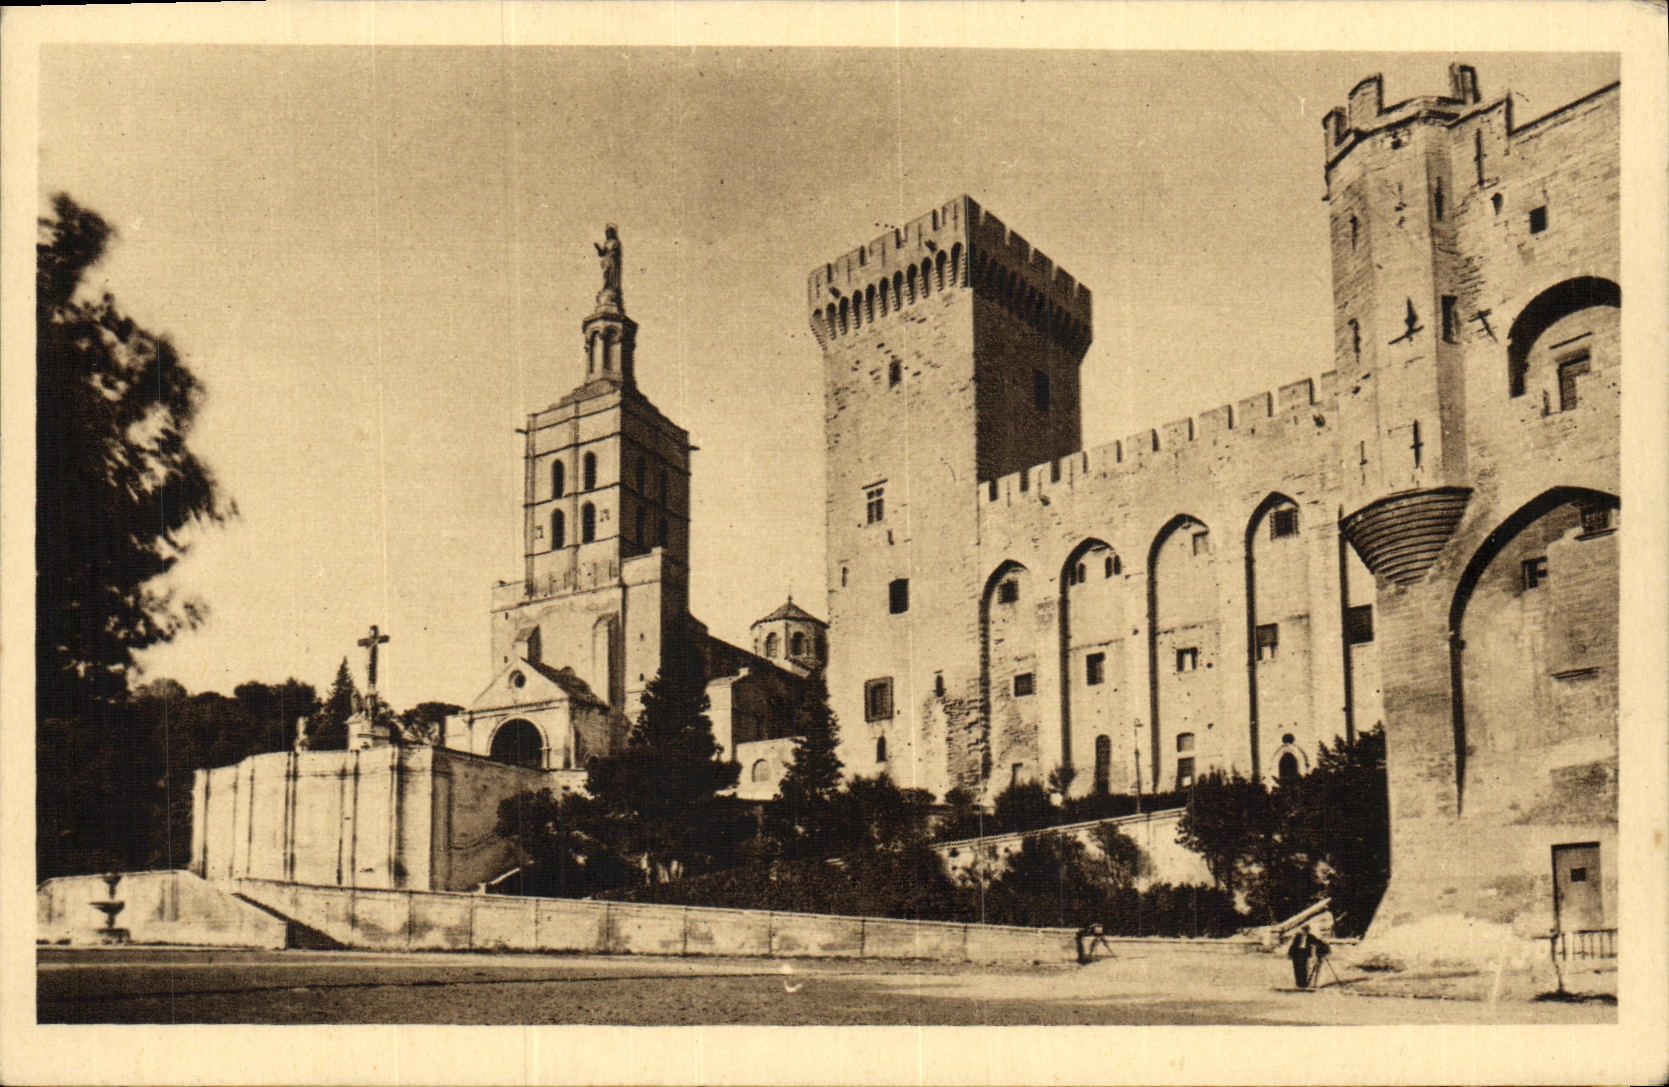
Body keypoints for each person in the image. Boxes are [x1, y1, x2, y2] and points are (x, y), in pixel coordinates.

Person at [1287, 923, 1316, 989]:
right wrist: (1289, 954)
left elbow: (1317, 942)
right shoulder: (1298, 936)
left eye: (1306, 929)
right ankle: (1298, 983)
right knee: (1297, 968)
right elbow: (1293, 945)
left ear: (1308, 930)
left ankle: (1304, 984)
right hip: (1296, 953)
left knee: (1304, 968)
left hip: (1304, 953)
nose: (1304, 931)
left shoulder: (1310, 936)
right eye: (1304, 929)